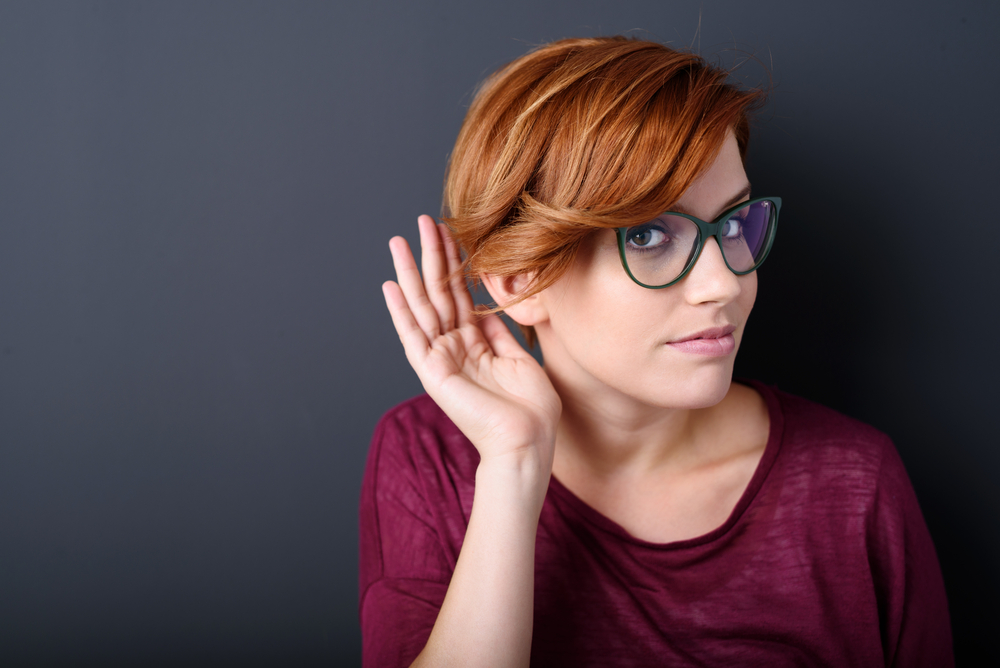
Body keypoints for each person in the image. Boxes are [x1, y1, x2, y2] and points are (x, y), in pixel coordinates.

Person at [359, 36, 952, 667]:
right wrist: (514, 466)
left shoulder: (855, 485)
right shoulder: (429, 460)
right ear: (520, 279)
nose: (724, 283)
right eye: (647, 235)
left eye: (732, 223)